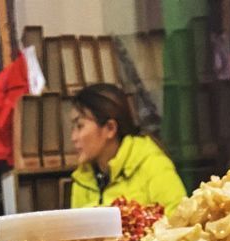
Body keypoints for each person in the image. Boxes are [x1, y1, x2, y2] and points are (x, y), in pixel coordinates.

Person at [69, 84, 187, 213]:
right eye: (73, 128)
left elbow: (178, 220)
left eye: (80, 126)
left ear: (110, 128)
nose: (73, 137)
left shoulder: (153, 164)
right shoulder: (82, 178)